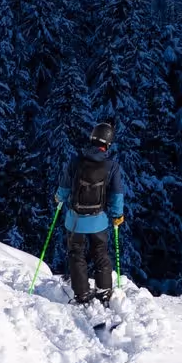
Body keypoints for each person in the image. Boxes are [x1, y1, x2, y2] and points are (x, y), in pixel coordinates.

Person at [56, 120, 127, 306]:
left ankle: (82, 293)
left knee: (76, 253)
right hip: (99, 221)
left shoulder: (75, 161)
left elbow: (64, 186)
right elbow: (116, 193)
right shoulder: (112, 166)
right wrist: (117, 214)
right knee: (100, 252)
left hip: (75, 220)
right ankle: (104, 290)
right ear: (108, 144)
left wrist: (59, 198)